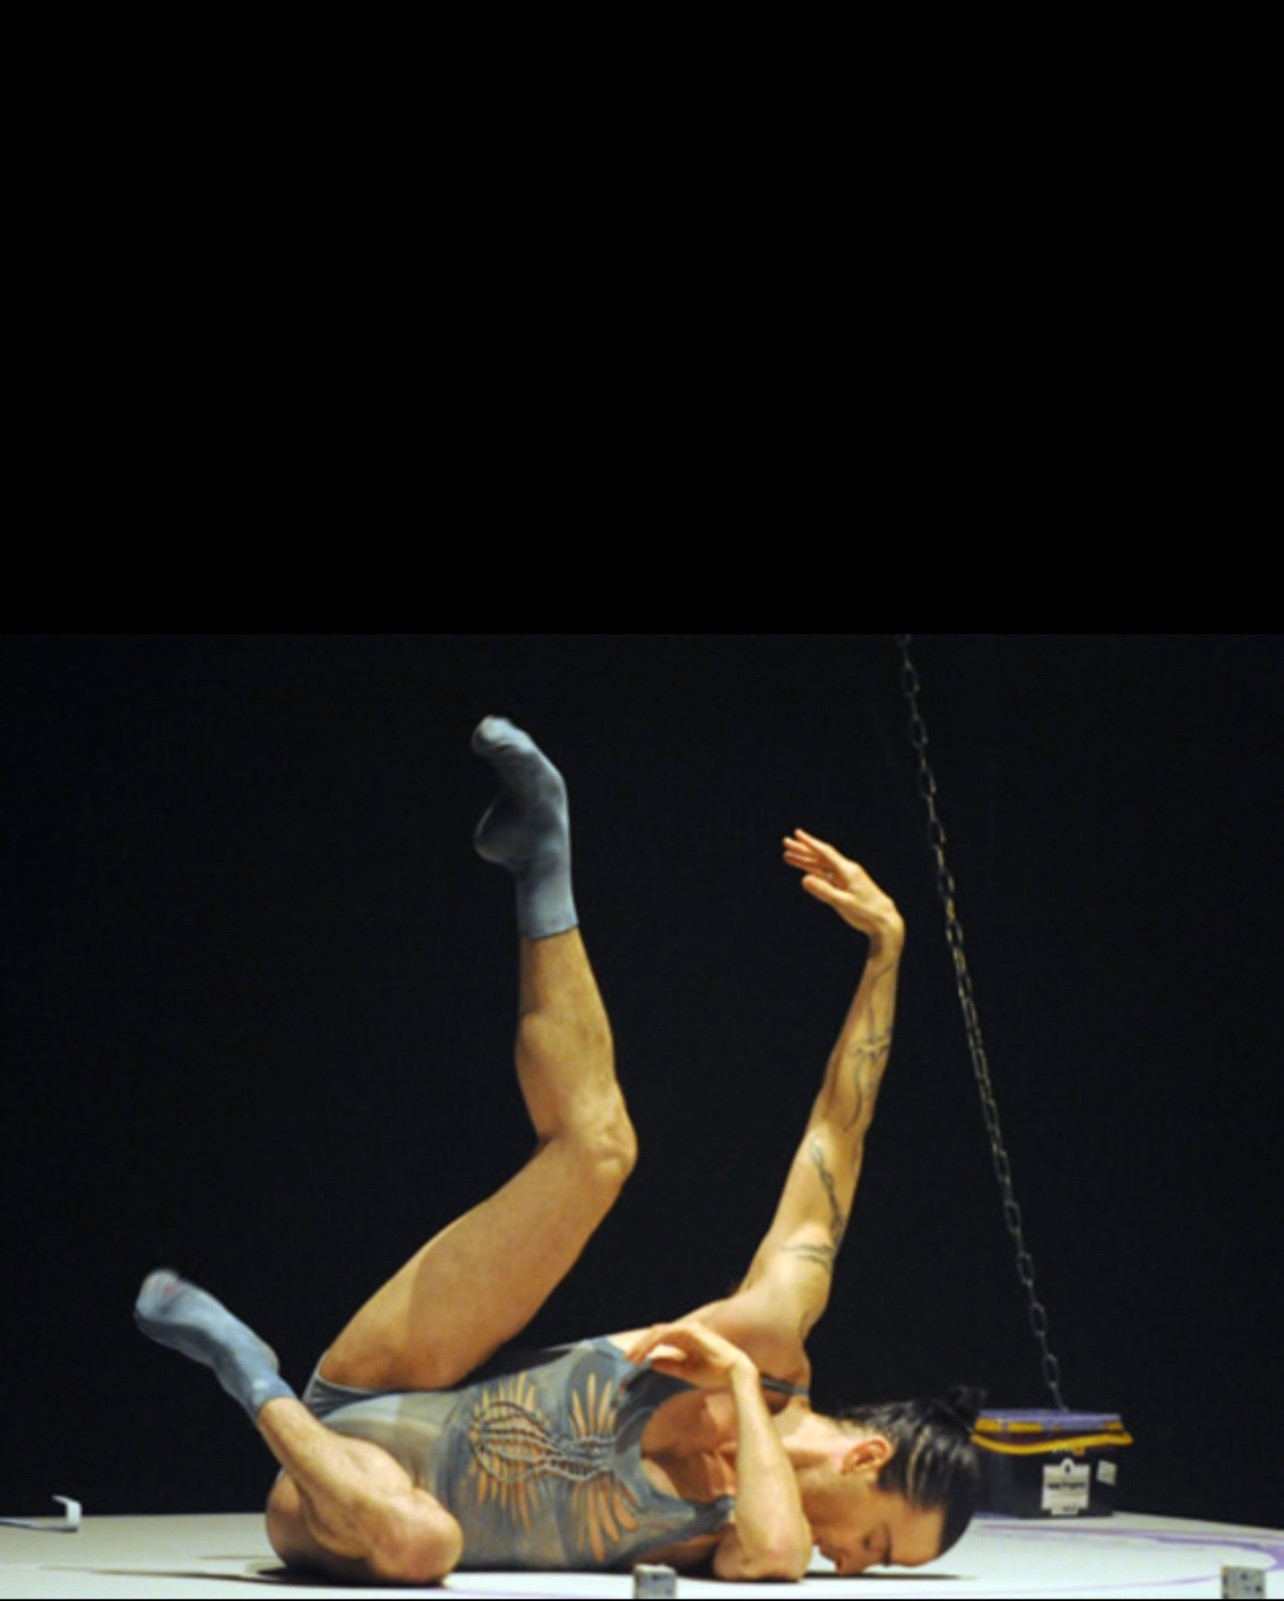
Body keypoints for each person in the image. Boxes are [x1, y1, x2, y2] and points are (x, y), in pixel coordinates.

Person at [135, 716, 981, 1584]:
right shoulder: (772, 1330)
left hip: (351, 1494)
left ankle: (247, 1371)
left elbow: (768, 1554)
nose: (850, 1567)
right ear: (867, 1456)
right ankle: (540, 858)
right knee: (600, 1149)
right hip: (389, 1377)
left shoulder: (763, 1521)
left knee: (421, 1545)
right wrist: (886, 952)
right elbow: (838, 1134)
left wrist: (731, 1379)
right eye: (877, 1546)